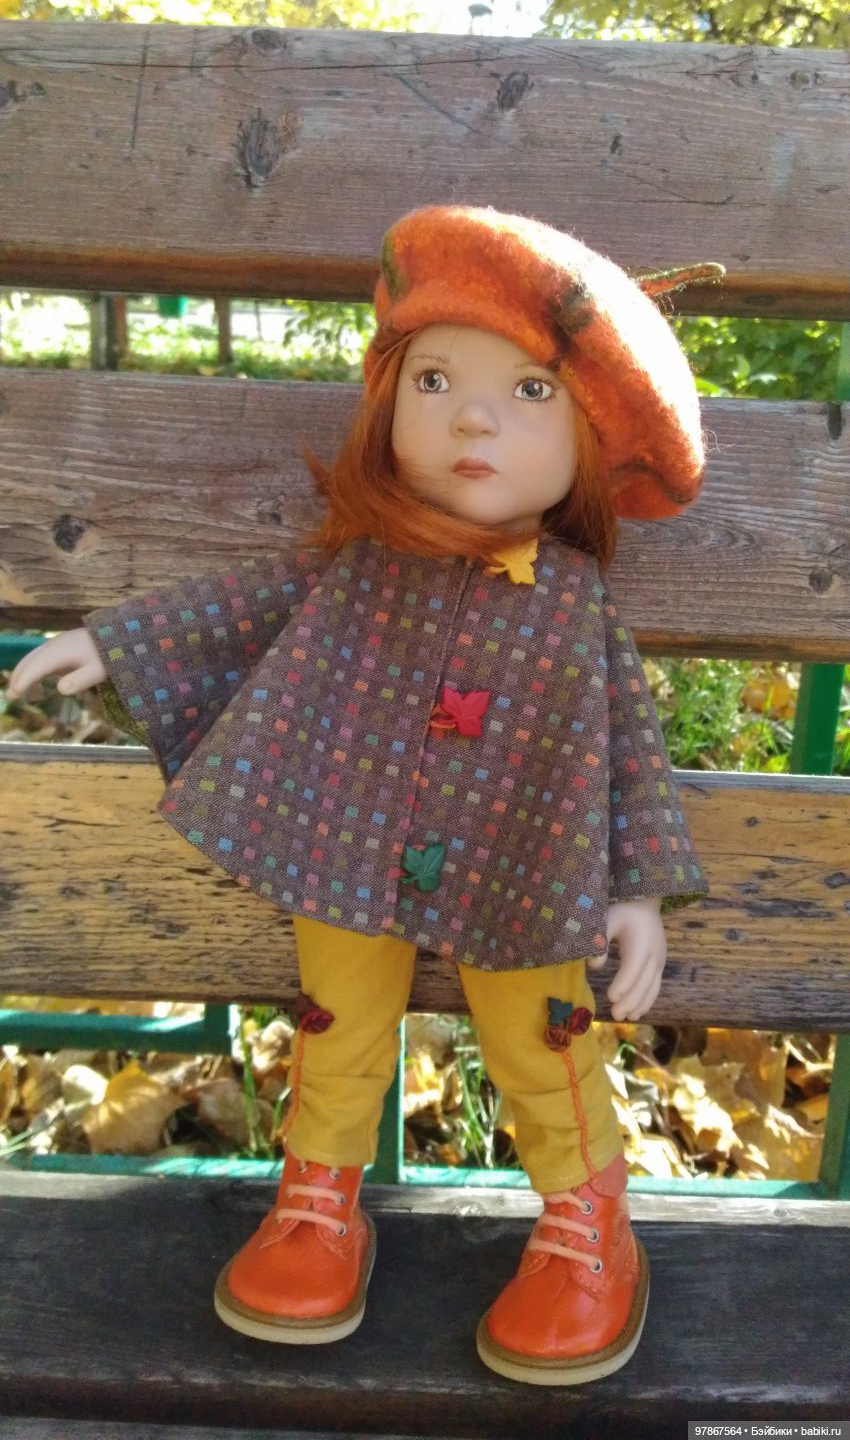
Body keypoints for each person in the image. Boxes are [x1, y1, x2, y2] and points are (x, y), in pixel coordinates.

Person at [7, 205, 721, 1385]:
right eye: (434, 380)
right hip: (343, 833)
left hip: (525, 856)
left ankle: (589, 1222)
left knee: (541, 1034)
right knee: (336, 1017)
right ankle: (317, 1200)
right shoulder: (360, 566)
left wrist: (636, 889)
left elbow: (626, 747)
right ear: (388, 398)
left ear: (592, 438)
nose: (472, 418)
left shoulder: (570, 599)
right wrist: (117, 641)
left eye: (529, 391)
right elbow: (243, 607)